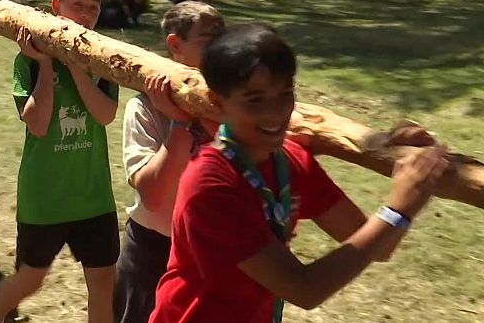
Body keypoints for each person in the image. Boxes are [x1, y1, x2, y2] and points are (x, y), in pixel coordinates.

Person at [148, 23, 449, 323]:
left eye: (285, 92)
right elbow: (304, 290)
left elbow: (376, 247)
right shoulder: (212, 185)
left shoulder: (290, 161)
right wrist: (398, 208)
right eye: (255, 99)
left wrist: (413, 171)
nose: (275, 112)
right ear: (217, 101)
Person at [0, 0, 118, 323]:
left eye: (93, 8)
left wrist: (76, 67)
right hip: (45, 197)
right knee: (31, 278)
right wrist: (47, 65)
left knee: (103, 280)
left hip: (94, 193)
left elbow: (104, 115)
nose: (85, 15)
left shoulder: (102, 60)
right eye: (78, 3)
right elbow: (38, 124)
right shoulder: (28, 61)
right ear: (57, 7)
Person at [114, 1, 224, 323]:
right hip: (153, 251)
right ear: (176, 45)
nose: (222, 50)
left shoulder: (231, 104)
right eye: (208, 41)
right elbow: (154, 195)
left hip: (210, 251)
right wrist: (180, 124)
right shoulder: (146, 107)